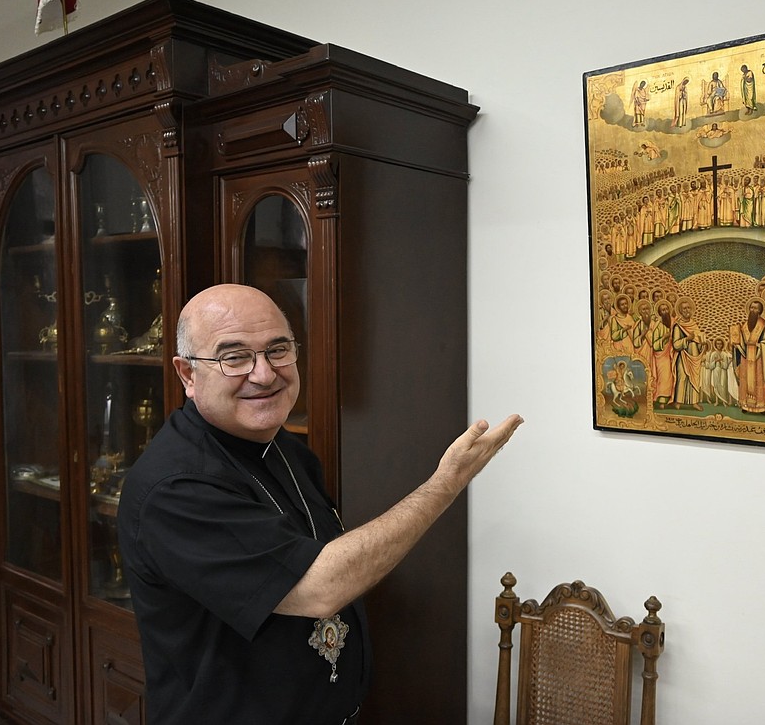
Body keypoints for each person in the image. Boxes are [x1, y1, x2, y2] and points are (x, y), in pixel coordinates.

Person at [117, 284, 523, 725]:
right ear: (188, 374)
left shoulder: (285, 448)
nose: (265, 374)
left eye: (278, 349)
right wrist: (447, 483)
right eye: (234, 357)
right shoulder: (176, 489)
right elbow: (319, 586)